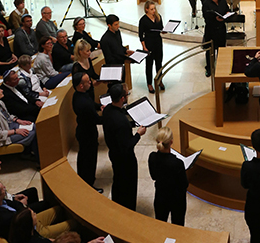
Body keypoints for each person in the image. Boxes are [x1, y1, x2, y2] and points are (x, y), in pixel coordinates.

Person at [102, 82, 146, 210]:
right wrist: (138, 134)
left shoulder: (108, 110)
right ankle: (128, 210)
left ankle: (117, 204)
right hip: (125, 160)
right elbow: (127, 146)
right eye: (127, 95)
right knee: (129, 186)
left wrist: (132, 124)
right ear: (122, 98)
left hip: (114, 154)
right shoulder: (121, 122)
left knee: (118, 181)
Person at [0, 178, 75, 240]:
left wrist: (24, 209)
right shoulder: (3, 218)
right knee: (73, 223)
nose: (5, 189)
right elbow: (25, 230)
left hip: (32, 219)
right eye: (3, 189)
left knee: (59, 209)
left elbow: (16, 204)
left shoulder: (1, 201)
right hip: (35, 231)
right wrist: (24, 209)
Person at [148, 125, 188, 225]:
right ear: (171, 142)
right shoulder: (177, 163)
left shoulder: (152, 157)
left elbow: (154, 176)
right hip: (177, 199)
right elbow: (184, 184)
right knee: (177, 225)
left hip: (160, 197)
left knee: (161, 225)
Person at [72, 71, 103, 190]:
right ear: (81, 85)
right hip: (88, 134)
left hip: (83, 130)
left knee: (84, 157)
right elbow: (97, 119)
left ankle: (84, 180)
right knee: (89, 160)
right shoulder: (83, 103)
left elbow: (91, 104)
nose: (90, 82)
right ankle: (89, 185)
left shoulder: (79, 94)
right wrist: (109, 115)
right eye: (87, 81)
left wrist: (99, 106)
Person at [0, 85, 37, 155]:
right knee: (31, 133)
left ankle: (31, 151)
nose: (2, 90)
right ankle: (31, 154)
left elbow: (7, 116)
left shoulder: (1, 103)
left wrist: (18, 120)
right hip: (4, 136)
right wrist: (15, 131)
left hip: (11, 125)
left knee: (34, 126)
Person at [138, 0, 165, 93]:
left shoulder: (158, 17)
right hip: (149, 43)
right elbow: (141, 35)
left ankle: (159, 80)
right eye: (152, 9)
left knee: (159, 63)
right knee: (149, 65)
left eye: (154, 8)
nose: (154, 11)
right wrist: (144, 47)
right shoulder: (143, 20)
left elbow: (161, 28)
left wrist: (164, 31)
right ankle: (149, 83)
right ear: (146, 9)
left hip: (158, 42)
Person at [202, 0, 229, 78]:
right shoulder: (206, 3)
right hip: (211, 30)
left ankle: (221, 68)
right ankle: (209, 68)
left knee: (221, 49)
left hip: (221, 29)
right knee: (210, 50)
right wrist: (216, 19)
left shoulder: (222, 0)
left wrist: (226, 15)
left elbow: (227, 10)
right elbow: (206, 17)